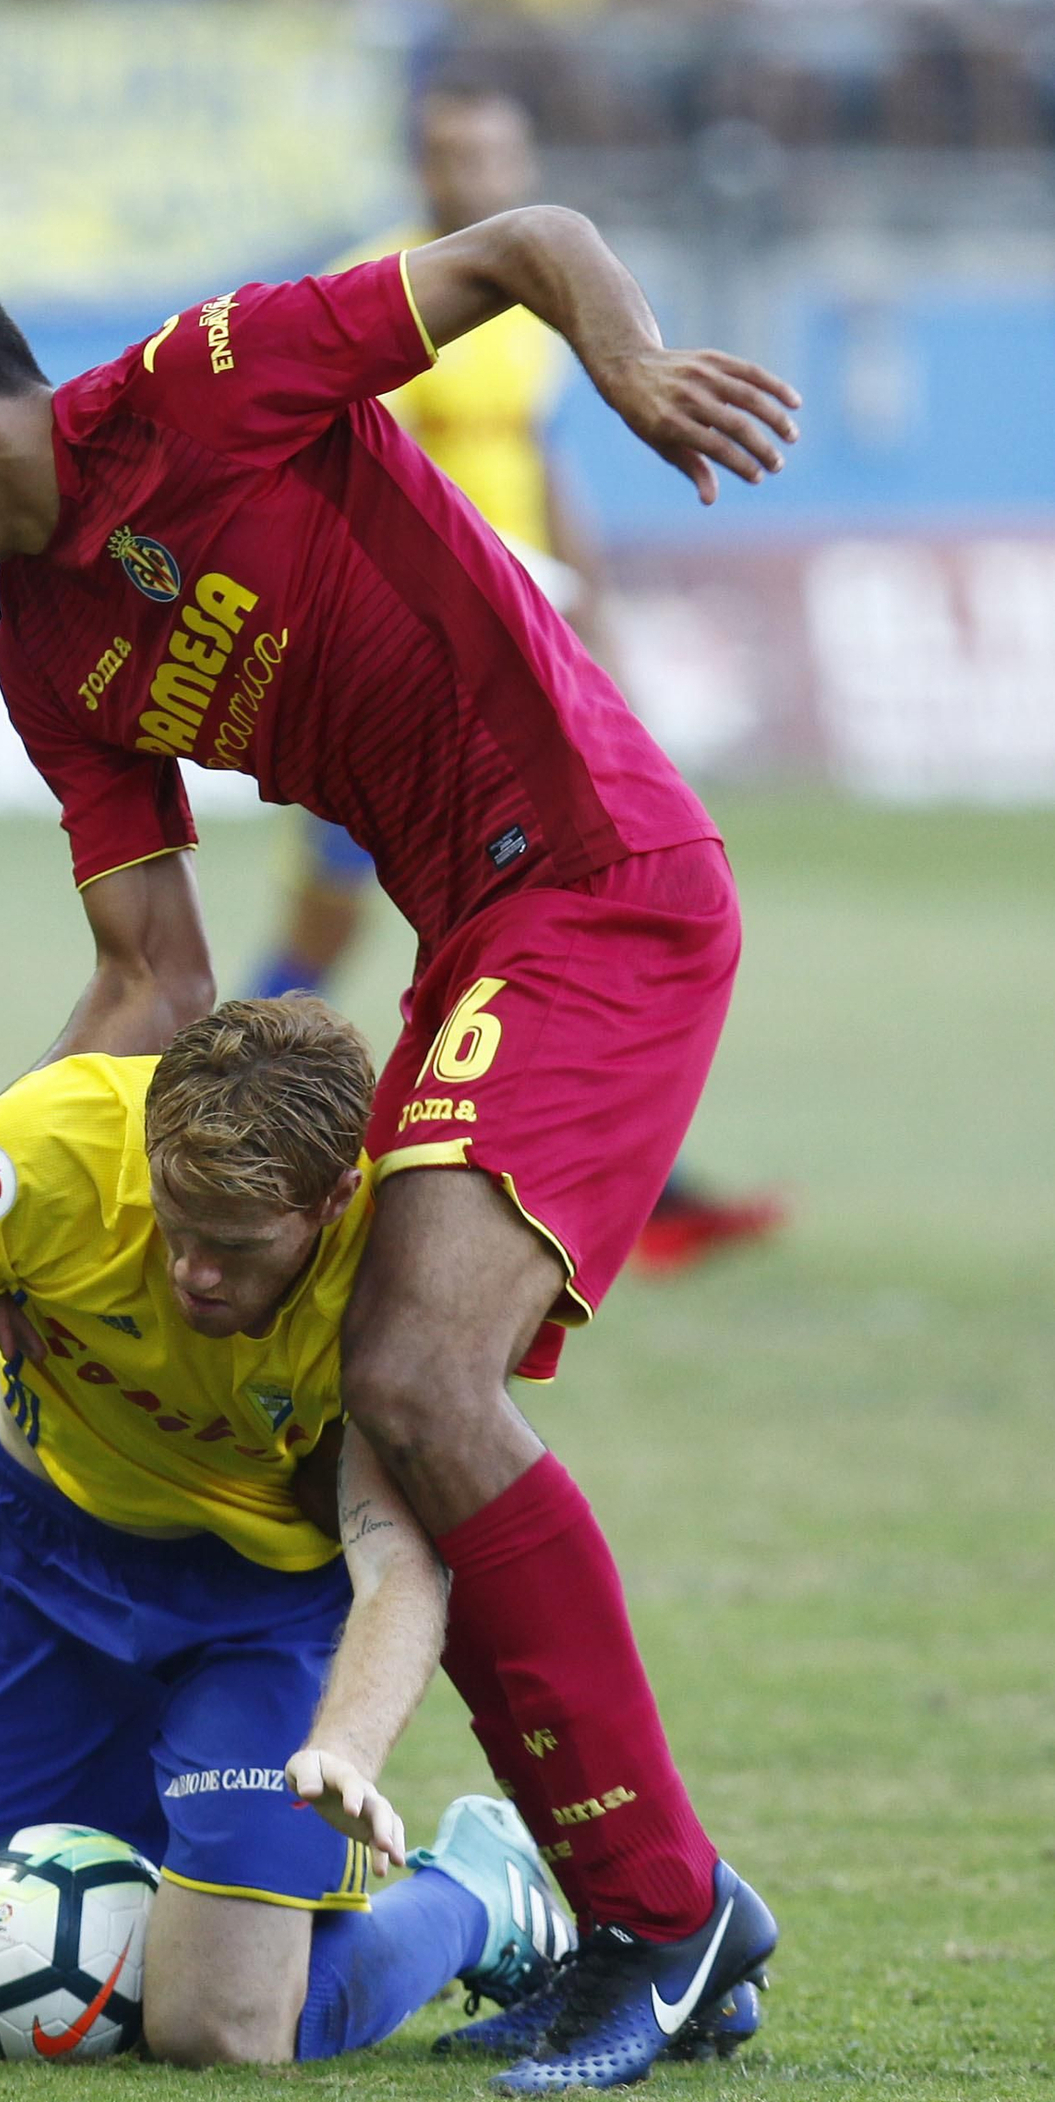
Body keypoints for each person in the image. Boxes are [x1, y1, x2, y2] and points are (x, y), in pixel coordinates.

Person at [0, 203, 793, 2092]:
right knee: (388, 1408)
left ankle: (659, 1908)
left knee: (410, 1374)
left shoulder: (208, 386)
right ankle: (608, 1902)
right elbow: (152, 981)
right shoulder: (46, 651)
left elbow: (527, 242)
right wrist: (34, 1197)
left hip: (598, 886)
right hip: (470, 936)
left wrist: (628, 363)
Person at [0, 996, 575, 2065]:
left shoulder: (399, 1269)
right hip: (38, 1553)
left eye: (235, 1247)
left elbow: (395, 1562)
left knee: (221, 2033)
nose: (193, 1269)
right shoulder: (41, 1153)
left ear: (334, 1200)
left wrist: (345, 1746)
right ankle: (196, 1889)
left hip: (263, 1604)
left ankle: (476, 1892)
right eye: (175, 1223)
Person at [248, 77, 785, 1276]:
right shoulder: (373, 293)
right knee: (330, 929)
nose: (473, 180)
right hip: (394, 675)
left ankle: (633, 1186)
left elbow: (538, 460)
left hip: (516, 658)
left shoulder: (526, 312)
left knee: (557, 917)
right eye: (451, 157)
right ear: (419, 166)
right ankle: (199, 1122)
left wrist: (591, 608)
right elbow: (333, 480)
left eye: (492, 157)